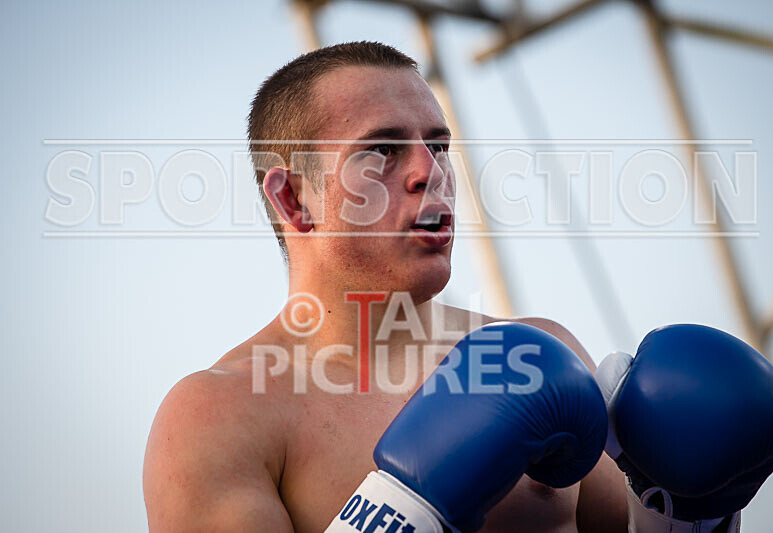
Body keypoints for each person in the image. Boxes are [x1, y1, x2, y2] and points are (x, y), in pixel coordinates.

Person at [143, 41, 628, 532]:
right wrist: (403, 512)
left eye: (438, 146)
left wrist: (682, 513)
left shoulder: (544, 353)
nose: (430, 172)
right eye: (383, 150)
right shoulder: (220, 417)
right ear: (293, 198)